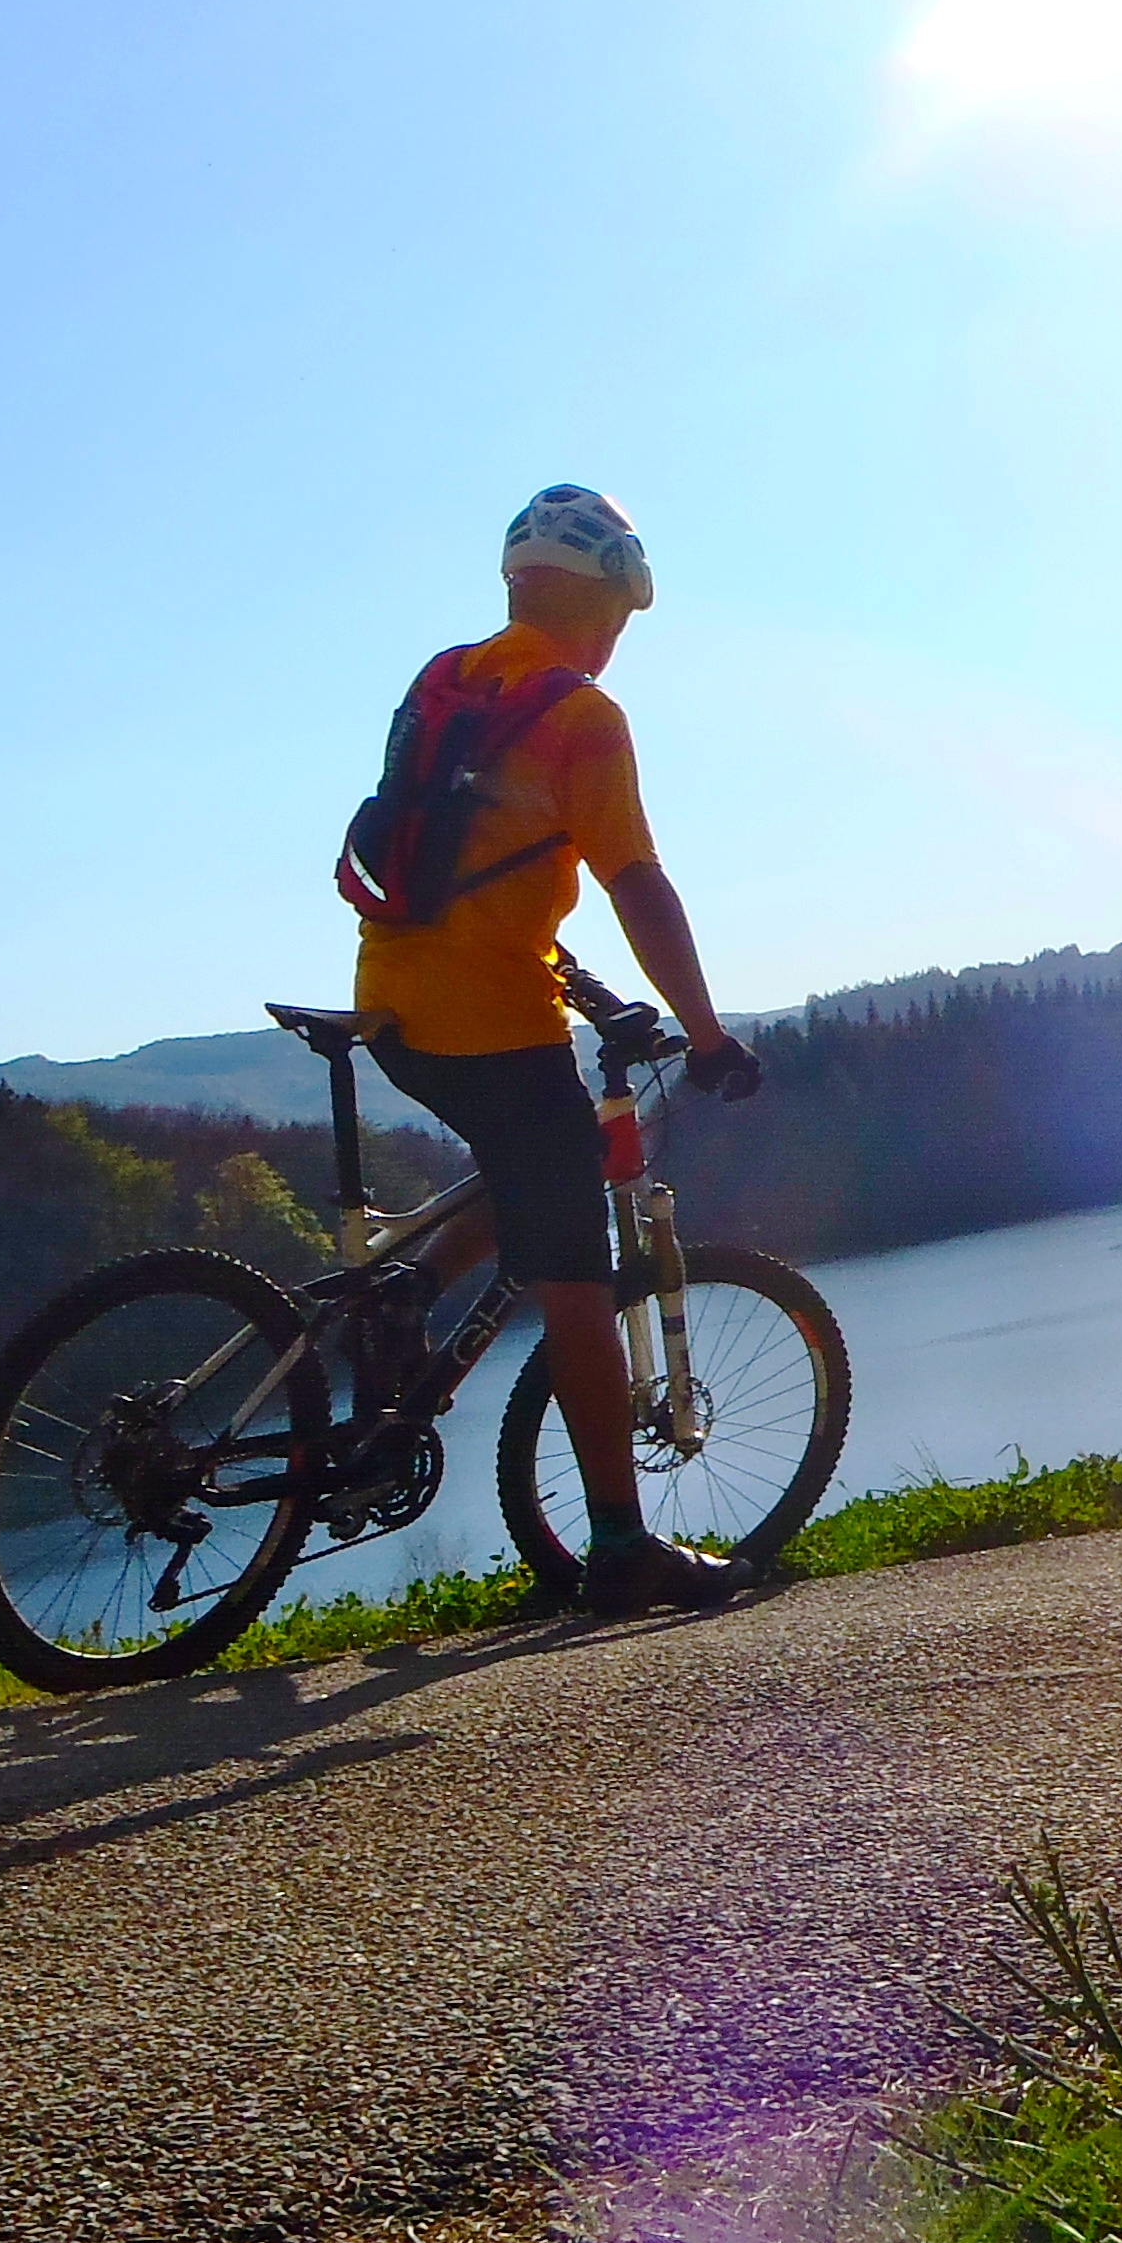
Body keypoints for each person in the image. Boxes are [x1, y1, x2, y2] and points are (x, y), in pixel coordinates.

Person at [349, 484, 766, 1614]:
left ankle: (410, 1288)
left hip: (390, 1002)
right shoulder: (584, 717)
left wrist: (580, 986)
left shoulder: (447, 680)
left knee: (545, 1164)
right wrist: (706, 1032)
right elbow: (636, 882)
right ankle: (622, 1545)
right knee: (577, 1279)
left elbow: (470, 865)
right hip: (491, 1021)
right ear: (609, 597)